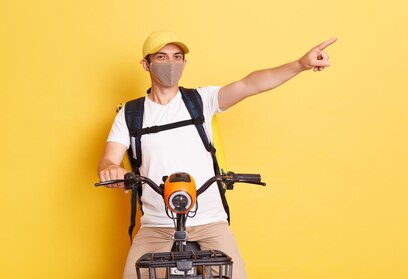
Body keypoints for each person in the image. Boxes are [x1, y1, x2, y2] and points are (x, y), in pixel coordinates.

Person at [97, 30, 336, 279]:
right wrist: (111, 170)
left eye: (177, 57)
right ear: (146, 64)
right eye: (162, 57)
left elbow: (249, 84)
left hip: (210, 222)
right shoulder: (130, 113)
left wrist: (300, 64)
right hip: (157, 226)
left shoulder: (202, 100)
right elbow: (108, 159)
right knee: (134, 275)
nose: (171, 64)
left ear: (185, 63)